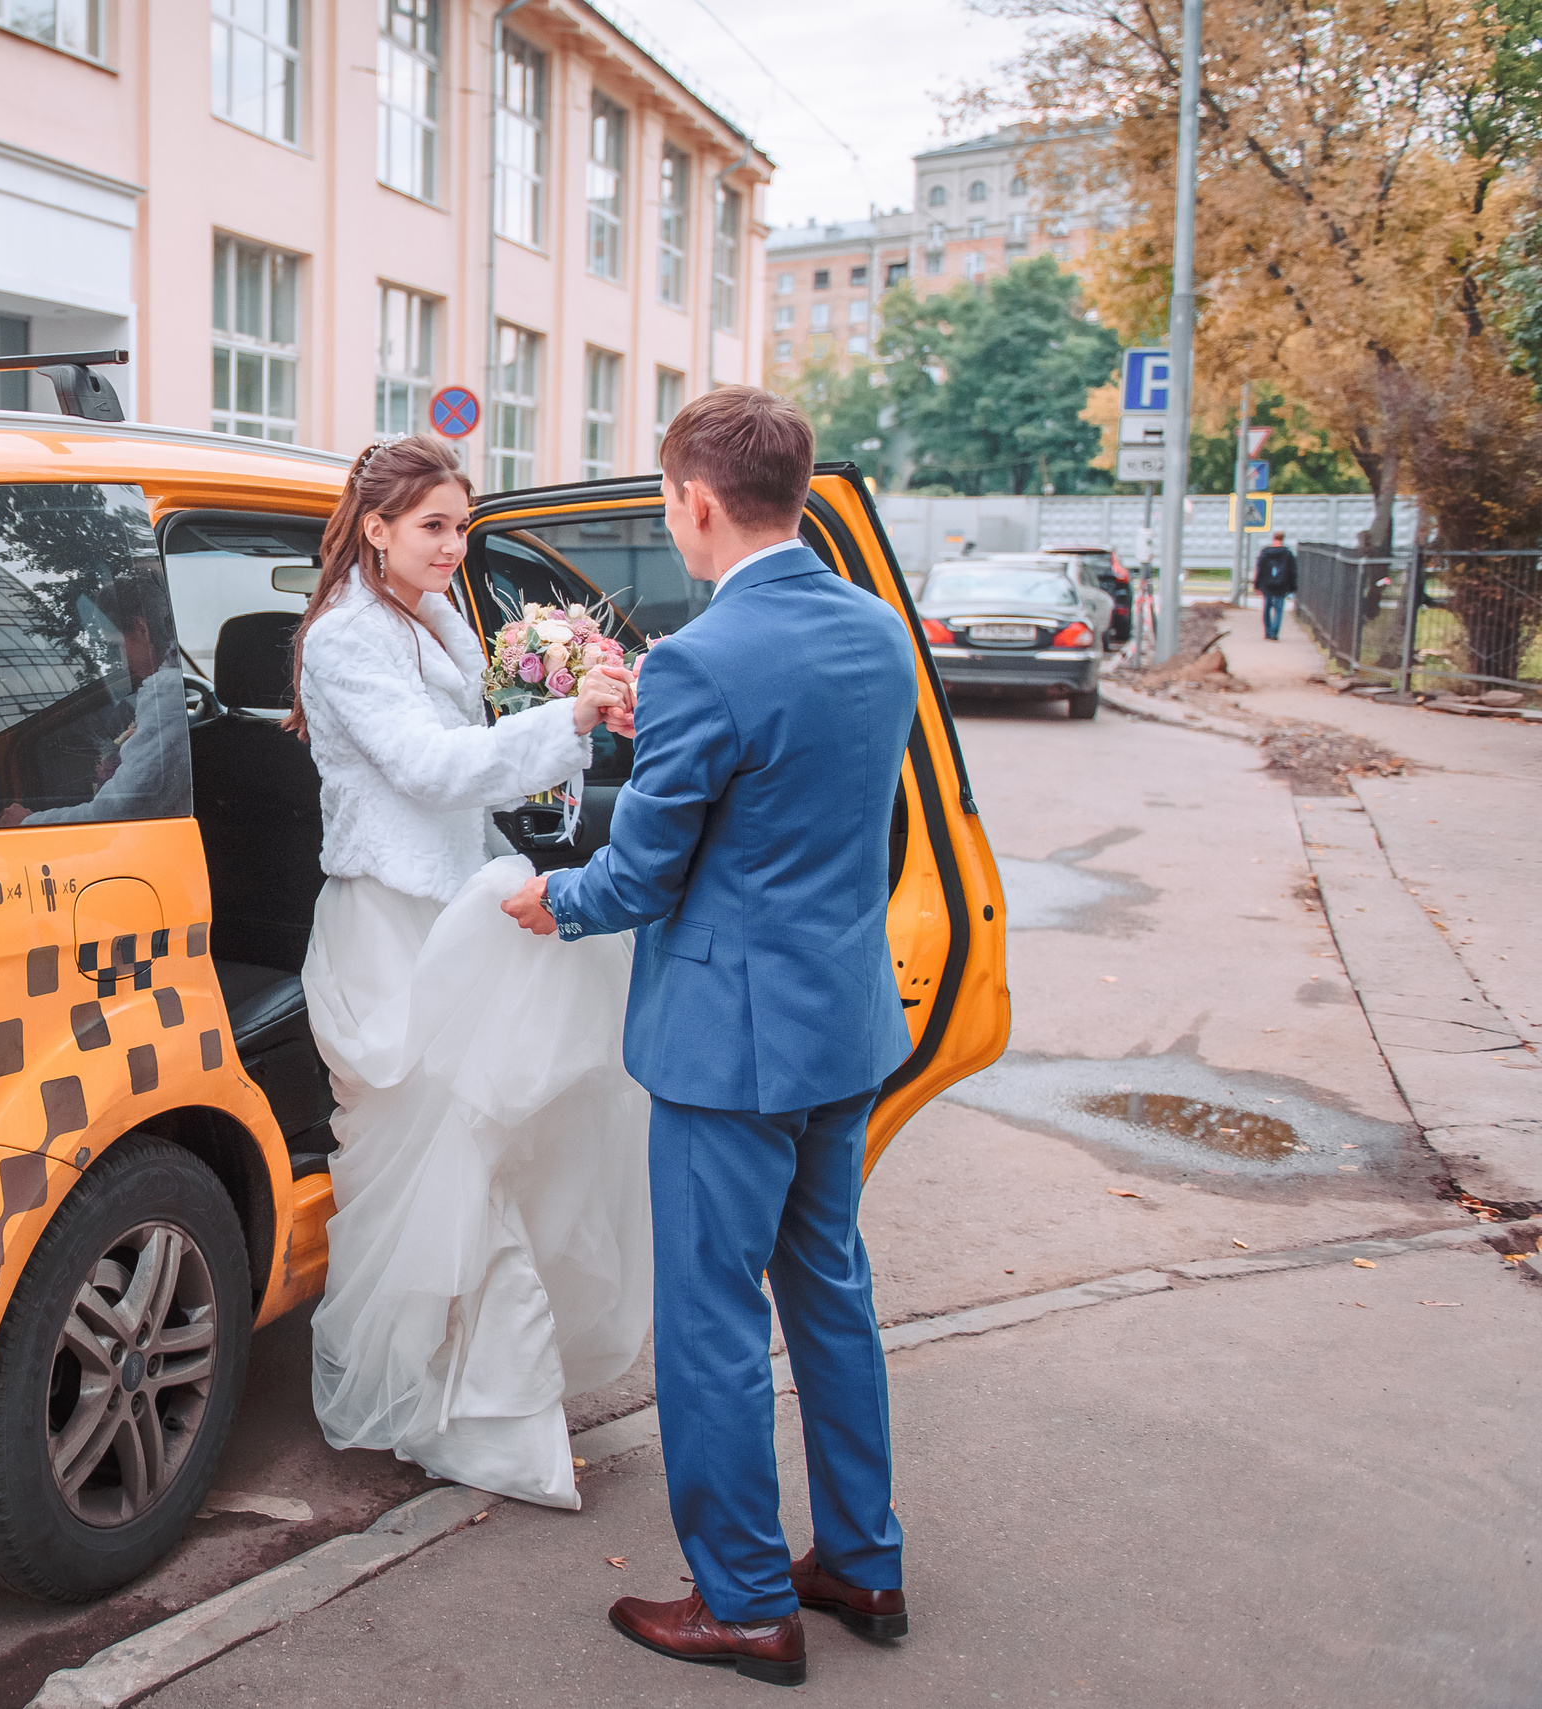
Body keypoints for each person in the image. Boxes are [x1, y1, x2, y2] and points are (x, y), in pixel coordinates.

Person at [505, 387, 919, 1689]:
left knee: (714, 1324)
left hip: (729, 1053)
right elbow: (807, 806)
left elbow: (637, 880)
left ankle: (744, 1600)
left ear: (693, 502)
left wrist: (548, 900)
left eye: (667, 503)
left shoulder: (699, 660)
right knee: (831, 1294)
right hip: (842, 1029)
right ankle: (862, 1557)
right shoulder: (879, 631)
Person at [289, 433, 652, 1510]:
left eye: (461, 524)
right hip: (389, 933)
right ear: (377, 528)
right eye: (433, 526)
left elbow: (479, 757)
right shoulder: (346, 637)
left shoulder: (436, 614)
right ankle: (448, 1406)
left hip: (459, 906)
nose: (454, 545)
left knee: (488, 1149)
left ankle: (474, 1398)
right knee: (432, 1160)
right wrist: (569, 715)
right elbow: (427, 766)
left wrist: (564, 718)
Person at [0, 573, 188, 826]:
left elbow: (124, 808)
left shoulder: (168, 690)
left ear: (141, 629)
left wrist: (28, 822)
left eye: (119, 646)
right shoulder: (183, 681)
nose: (123, 661)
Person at [1253, 532, 1298, 640]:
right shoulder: (1287, 554)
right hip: (1281, 586)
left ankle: (1267, 632)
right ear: (1283, 539)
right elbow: (1292, 571)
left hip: (1267, 585)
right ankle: (1274, 633)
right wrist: (1292, 587)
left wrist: (1257, 584)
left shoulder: (1265, 552)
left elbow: (1259, 570)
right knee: (1278, 610)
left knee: (1266, 608)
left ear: (1273, 538)